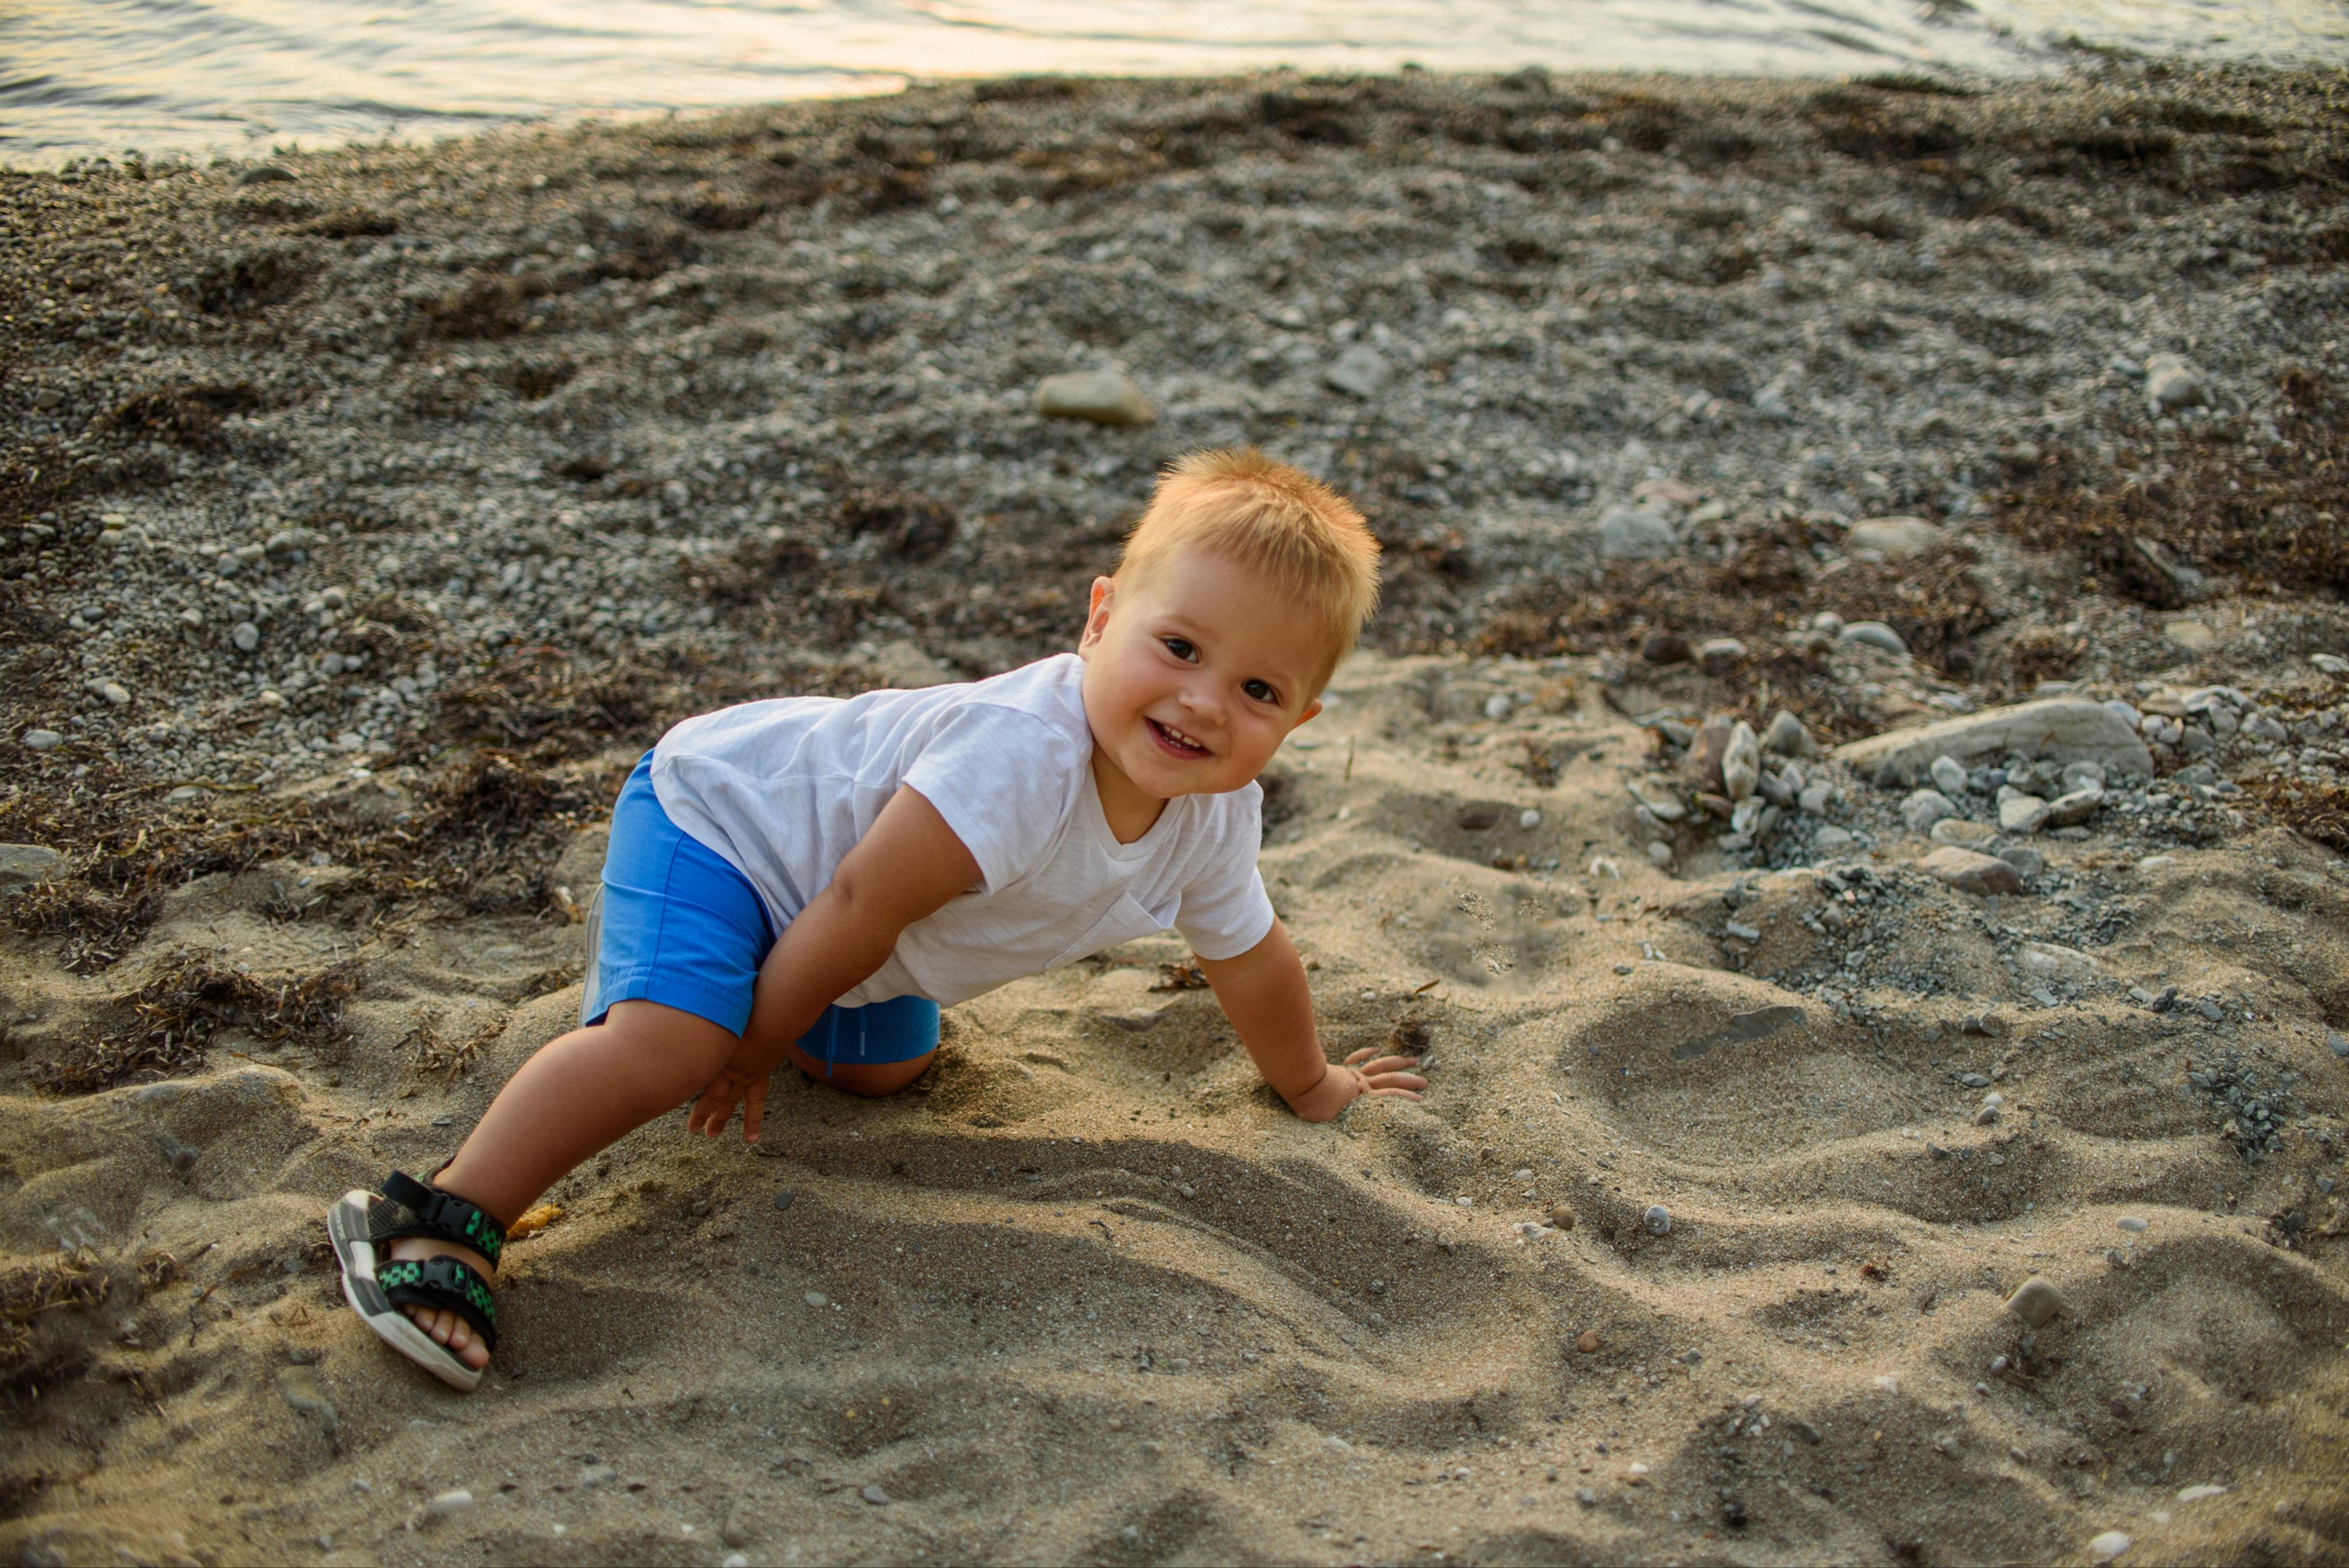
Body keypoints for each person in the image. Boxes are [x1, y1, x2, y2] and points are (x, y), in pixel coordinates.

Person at [328, 449, 1428, 1388]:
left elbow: (1250, 956)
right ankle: (444, 1217)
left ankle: (757, 1000)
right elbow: (858, 897)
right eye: (1179, 648)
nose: (1202, 701)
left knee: (880, 1072)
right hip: (723, 824)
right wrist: (754, 1039)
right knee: (680, 1045)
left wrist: (1309, 1080)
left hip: (844, 920)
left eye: (1258, 692)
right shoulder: (1021, 757)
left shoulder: (1214, 813)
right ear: (1100, 618)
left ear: (1303, 716)